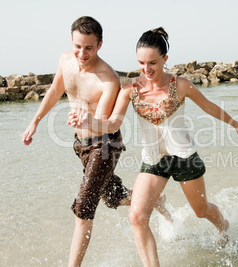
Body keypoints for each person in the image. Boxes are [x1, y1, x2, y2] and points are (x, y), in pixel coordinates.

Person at [68, 27, 238, 267]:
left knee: (201, 210)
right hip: (154, 160)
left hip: (185, 157)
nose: (146, 69)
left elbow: (210, 107)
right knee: (137, 216)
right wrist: (89, 122)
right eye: (141, 63)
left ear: (165, 59)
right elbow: (113, 123)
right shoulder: (130, 89)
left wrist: (236, 126)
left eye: (152, 62)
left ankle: (224, 227)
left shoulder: (180, 85)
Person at [21, 16, 171, 267]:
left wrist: (87, 118)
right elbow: (56, 90)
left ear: (100, 45)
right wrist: (35, 121)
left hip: (104, 145)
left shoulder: (108, 79)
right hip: (81, 146)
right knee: (112, 196)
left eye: (89, 47)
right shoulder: (65, 60)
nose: (82, 53)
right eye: (78, 46)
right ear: (71, 41)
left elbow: (105, 122)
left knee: (83, 208)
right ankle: (153, 200)